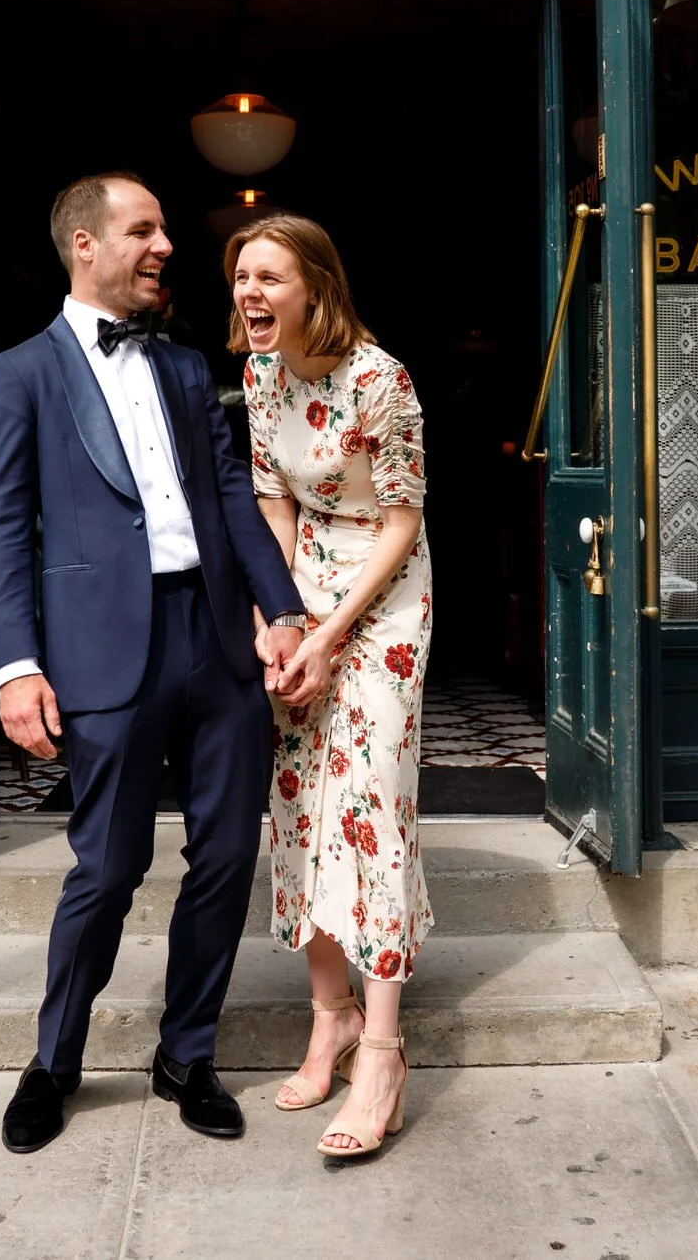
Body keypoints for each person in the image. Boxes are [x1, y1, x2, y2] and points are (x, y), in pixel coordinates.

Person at [0, 172, 317, 1155]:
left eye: (162, 228)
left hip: (214, 640)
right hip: (98, 649)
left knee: (222, 858)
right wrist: (15, 666)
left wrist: (281, 610)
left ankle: (187, 1052)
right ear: (85, 244)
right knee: (108, 865)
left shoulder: (178, 368)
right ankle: (53, 1061)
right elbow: (2, 531)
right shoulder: (20, 372)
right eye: (143, 229)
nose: (165, 243)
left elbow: (233, 500)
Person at [230, 210, 433, 1160]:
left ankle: (384, 1050)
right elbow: (273, 502)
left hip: (383, 598)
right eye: (242, 278)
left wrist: (334, 629)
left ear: (315, 284)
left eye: (269, 277)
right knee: (302, 801)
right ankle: (331, 1015)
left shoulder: (381, 379)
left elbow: (399, 523)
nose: (250, 294)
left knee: (373, 805)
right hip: (303, 581)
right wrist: (276, 620)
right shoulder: (260, 372)